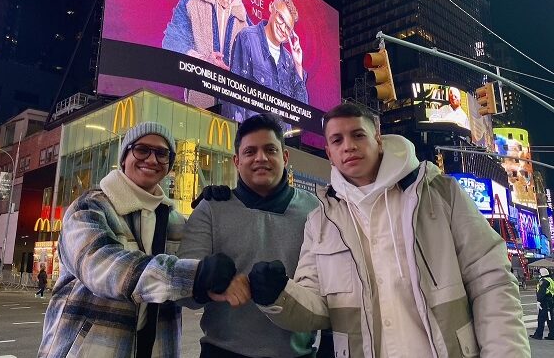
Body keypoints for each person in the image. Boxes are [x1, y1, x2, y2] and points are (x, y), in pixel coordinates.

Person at [248, 102, 530, 357]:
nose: (348, 146)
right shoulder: (320, 221)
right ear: (329, 153)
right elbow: (318, 306)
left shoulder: (442, 194)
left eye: (358, 135)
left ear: (378, 140)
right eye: (337, 140)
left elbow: (492, 282)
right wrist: (277, 295)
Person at [38, 122, 237, 358]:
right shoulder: (89, 207)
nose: (152, 160)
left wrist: (218, 212)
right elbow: (102, 267)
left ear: (169, 164)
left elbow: (199, 281)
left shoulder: (175, 221)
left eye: (162, 153)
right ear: (124, 157)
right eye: (142, 150)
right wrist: (194, 275)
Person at [178, 113, 320, 358]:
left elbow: (331, 286)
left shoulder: (315, 211)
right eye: (250, 152)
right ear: (236, 160)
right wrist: (204, 278)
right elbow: (182, 292)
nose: (261, 158)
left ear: (285, 157)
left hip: (298, 354)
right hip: (222, 352)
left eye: (270, 150)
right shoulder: (211, 208)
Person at [162, 0, 252, 109]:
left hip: (234, 111)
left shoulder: (246, 23)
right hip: (198, 102)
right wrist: (203, 61)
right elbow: (171, 41)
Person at [227, 0, 308, 123]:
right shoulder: (247, 38)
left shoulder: (289, 61)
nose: (283, 28)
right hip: (255, 135)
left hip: (281, 140)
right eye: (281, 18)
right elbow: (235, 98)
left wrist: (298, 65)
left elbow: (301, 114)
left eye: (288, 28)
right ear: (271, 8)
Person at [530, 267, 554, 340]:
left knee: (541, 319)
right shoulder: (551, 280)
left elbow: (541, 292)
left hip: (544, 302)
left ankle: (538, 335)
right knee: (550, 319)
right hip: (550, 301)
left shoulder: (543, 281)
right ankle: (552, 335)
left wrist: (539, 301)